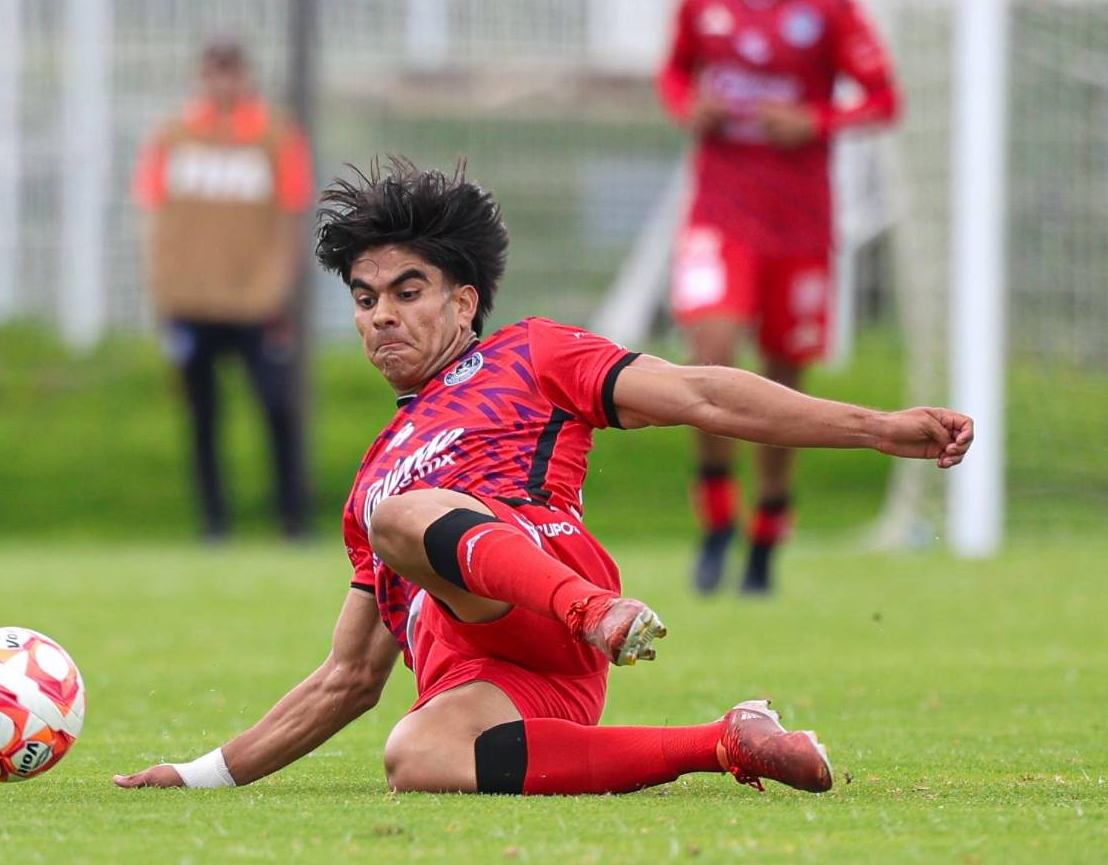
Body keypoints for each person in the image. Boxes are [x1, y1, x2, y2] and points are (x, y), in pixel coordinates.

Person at [114, 159, 970, 796]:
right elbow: (349, 678)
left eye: (408, 290)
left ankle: (597, 613)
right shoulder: (373, 480)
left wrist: (877, 428)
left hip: (555, 584)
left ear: (462, 301)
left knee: (406, 514)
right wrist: (199, 780)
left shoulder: (531, 354)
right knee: (416, 758)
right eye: (365, 298)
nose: (382, 316)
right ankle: (729, 741)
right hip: (512, 684)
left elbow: (701, 392)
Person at [659, 0, 901, 595]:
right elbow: (674, 75)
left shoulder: (829, 7)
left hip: (798, 226)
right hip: (719, 215)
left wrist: (816, 119)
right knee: (711, 350)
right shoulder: (703, 0)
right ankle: (715, 522)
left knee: (783, 382)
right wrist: (686, 107)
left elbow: (883, 98)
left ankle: (767, 531)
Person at [133, 39, 314, 540]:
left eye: (231, 73)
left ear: (246, 76)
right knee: (203, 418)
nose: (223, 84)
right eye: (214, 73)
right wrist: (164, 291)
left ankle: (292, 519)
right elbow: (154, 214)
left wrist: (281, 287)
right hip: (191, 303)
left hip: (258, 302)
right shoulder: (173, 136)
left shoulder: (276, 136)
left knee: (278, 407)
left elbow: (292, 215)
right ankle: (214, 524)